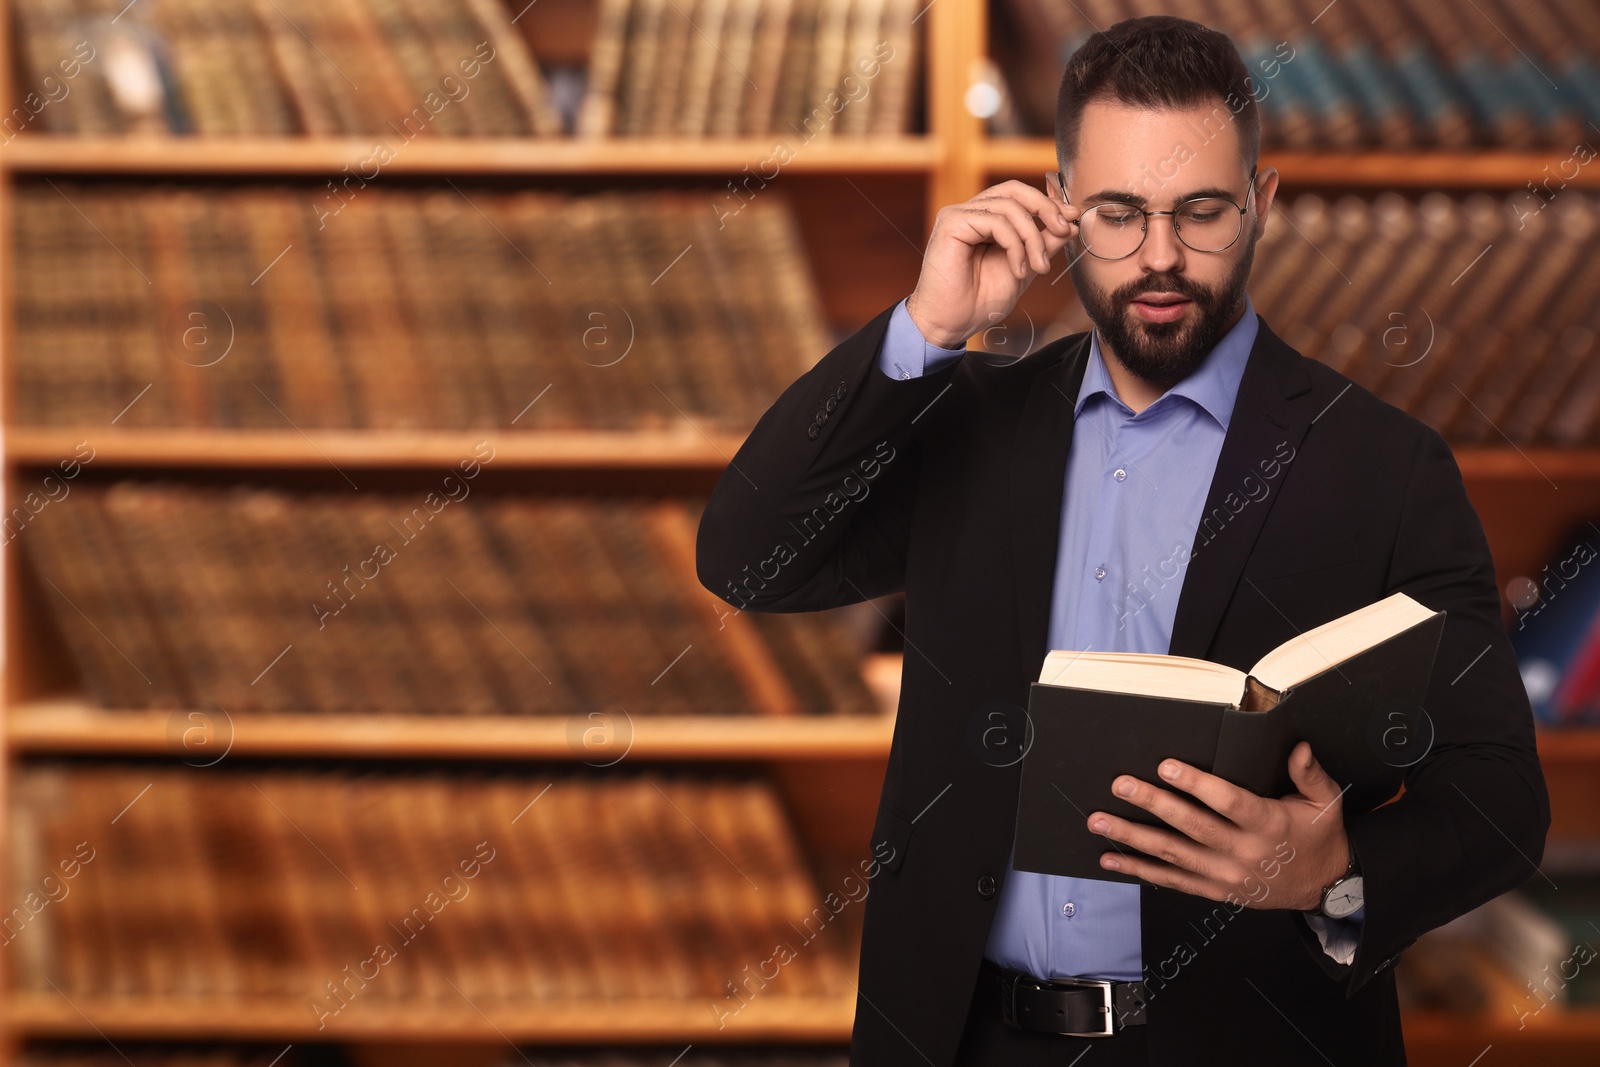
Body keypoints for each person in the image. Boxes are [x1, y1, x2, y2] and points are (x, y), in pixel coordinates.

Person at [695, 15, 1549, 1066]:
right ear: (1060, 208)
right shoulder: (966, 420)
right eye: (1117, 212)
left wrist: (1329, 870)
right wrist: (923, 327)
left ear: (1262, 204)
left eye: (1200, 212)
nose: (1158, 256)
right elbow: (747, 554)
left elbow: (1502, 800)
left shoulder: (1385, 465)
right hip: (962, 1039)